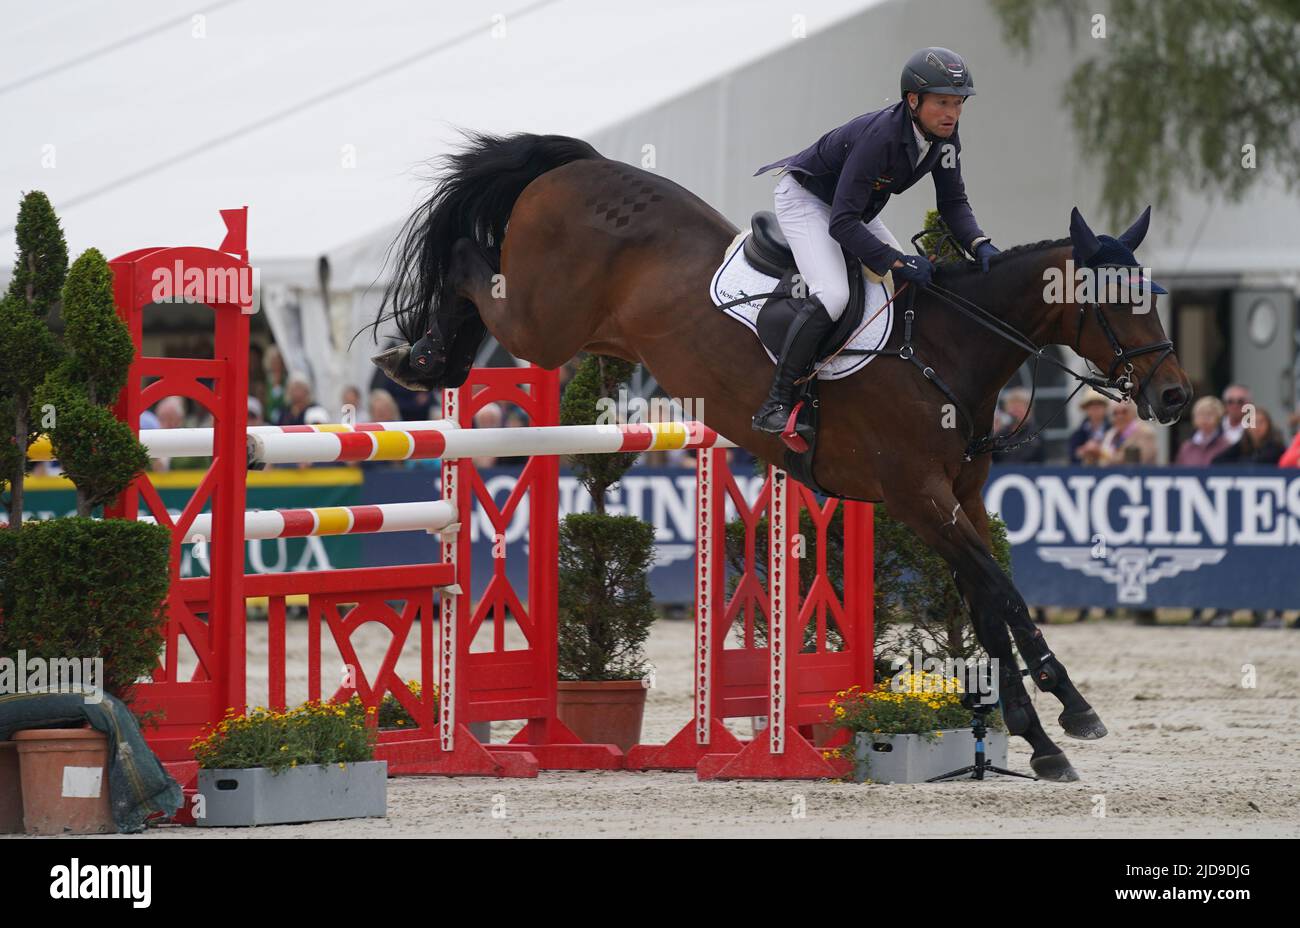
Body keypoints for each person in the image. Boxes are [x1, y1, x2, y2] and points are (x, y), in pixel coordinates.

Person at [749, 47, 998, 436]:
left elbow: (952, 202)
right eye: (943, 102)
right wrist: (899, 261)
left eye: (958, 103)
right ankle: (776, 402)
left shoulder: (946, 140)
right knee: (834, 295)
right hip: (807, 200)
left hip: (851, 207)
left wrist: (980, 242)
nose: (952, 113)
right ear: (913, 101)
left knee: (902, 289)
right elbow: (842, 224)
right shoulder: (881, 138)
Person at [1212, 406, 1286, 465]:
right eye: (1253, 422)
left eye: (1261, 422)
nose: (1257, 426)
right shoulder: (1242, 444)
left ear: (1269, 425)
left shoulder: (1276, 447)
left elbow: (1259, 462)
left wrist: (1238, 462)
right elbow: (1217, 461)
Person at [991, 387, 1046, 464]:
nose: (1015, 413)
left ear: (1029, 411)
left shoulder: (1036, 435)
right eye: (1013, 408)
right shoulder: (1000, 435)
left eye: (1019, 409)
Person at [1096, 399, 1157, 465]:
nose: (1120, 416)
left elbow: (1139, 460)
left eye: (1124, 412)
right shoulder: (1110, 434)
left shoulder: (1145, 432)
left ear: (1133, 412)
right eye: (1115, 413)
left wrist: (1101, 454)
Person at [1173, 397, 1232, 466]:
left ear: (1218, 417)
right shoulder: (1186, 447)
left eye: (1209, 414)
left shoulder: (1225, 445)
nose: (1204, 418)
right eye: (1200, 414)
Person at [1068, 390, 1110, 465]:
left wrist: (1099, 450)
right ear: (1086, 409)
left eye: (1099, 404)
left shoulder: (1113, 430)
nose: (1095, 407)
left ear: (1104, 407)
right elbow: (1072, 455)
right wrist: (1085, 450)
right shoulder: (1078, 433)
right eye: (1091, 405)